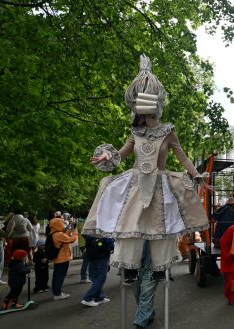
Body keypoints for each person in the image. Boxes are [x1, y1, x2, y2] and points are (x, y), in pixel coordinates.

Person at [83, 54, 210, 283]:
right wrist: (107, 156)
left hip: (160, 183)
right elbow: (120, 155)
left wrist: (197, 175)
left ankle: (160, 267)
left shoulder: (169, 133)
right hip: (137, 183)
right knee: (130, 222)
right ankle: (129, 267)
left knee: (160, 223)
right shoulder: (135, 134)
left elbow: (182, 158)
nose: (139, 114)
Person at [81, 235, 114, 307]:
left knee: (96, 276)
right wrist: (112, 242)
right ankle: (88, 298)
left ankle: (100, 297)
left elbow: (85, 235)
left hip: (92, 252)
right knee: (101, 277)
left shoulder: (89, 226)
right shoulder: (102, 227)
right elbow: (108, 239)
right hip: (102, 253)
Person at [49, 217, 78, 300]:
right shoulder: (59, 235)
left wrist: (70, 229)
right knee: (60, 276)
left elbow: (65, 236)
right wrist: (75, 231)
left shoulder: (54, 233)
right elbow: (71, 239)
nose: (64, 225)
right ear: (58, 224)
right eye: (62, 223)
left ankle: (56, 292)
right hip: (63, 259)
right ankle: (57, 294)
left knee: (57, 275)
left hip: (58, 259)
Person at [133, 241, 158, 329]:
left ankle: (140, 322)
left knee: (146, 291)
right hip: (134, 264)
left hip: (153, 263)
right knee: (137, 291)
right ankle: (149, 313)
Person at [77, 215, 91, 284]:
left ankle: (86, 276)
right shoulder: (82, 223)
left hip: (83, 243)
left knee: (87, 261)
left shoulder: (81, 222)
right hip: (84, 244)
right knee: (86, 261)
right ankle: (84, 277)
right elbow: (85, 233)